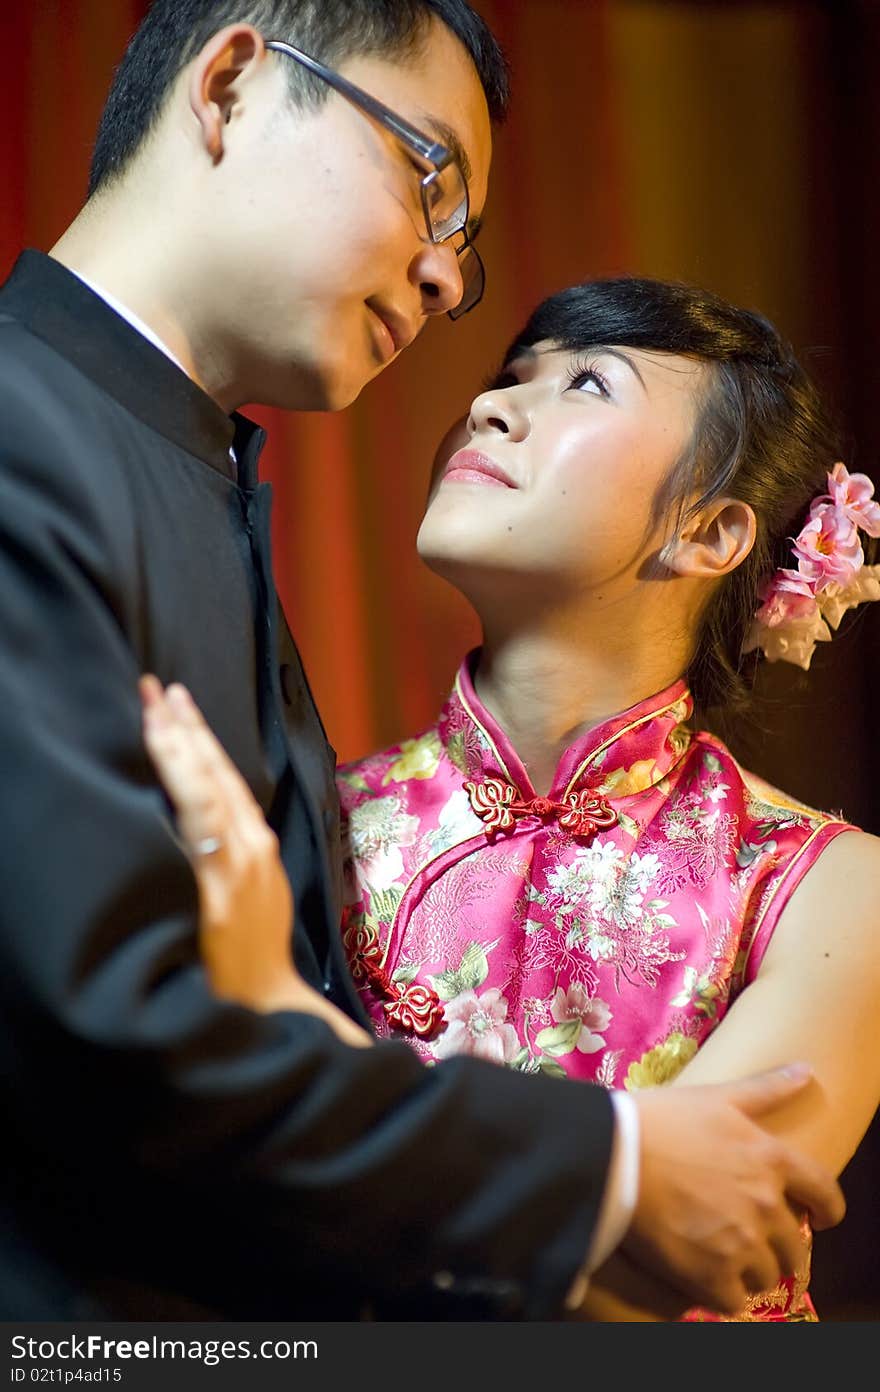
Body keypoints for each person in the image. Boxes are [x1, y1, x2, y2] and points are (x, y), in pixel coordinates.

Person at [0, 0, 845, 1322]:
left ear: (718, 532)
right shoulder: (30, 431)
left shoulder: (190, 476)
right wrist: (615, 1168)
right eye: (430, 179)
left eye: (466, 236)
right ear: (229, 87)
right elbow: (113, 1024)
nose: (452, 285)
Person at [140, 276, 880, 1323]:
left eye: (585, 381)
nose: (491, 405)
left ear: (710, 535)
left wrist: (289, 1042)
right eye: (509, 377)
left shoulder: (827, 887)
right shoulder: (307, 823)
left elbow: (683, 1272)